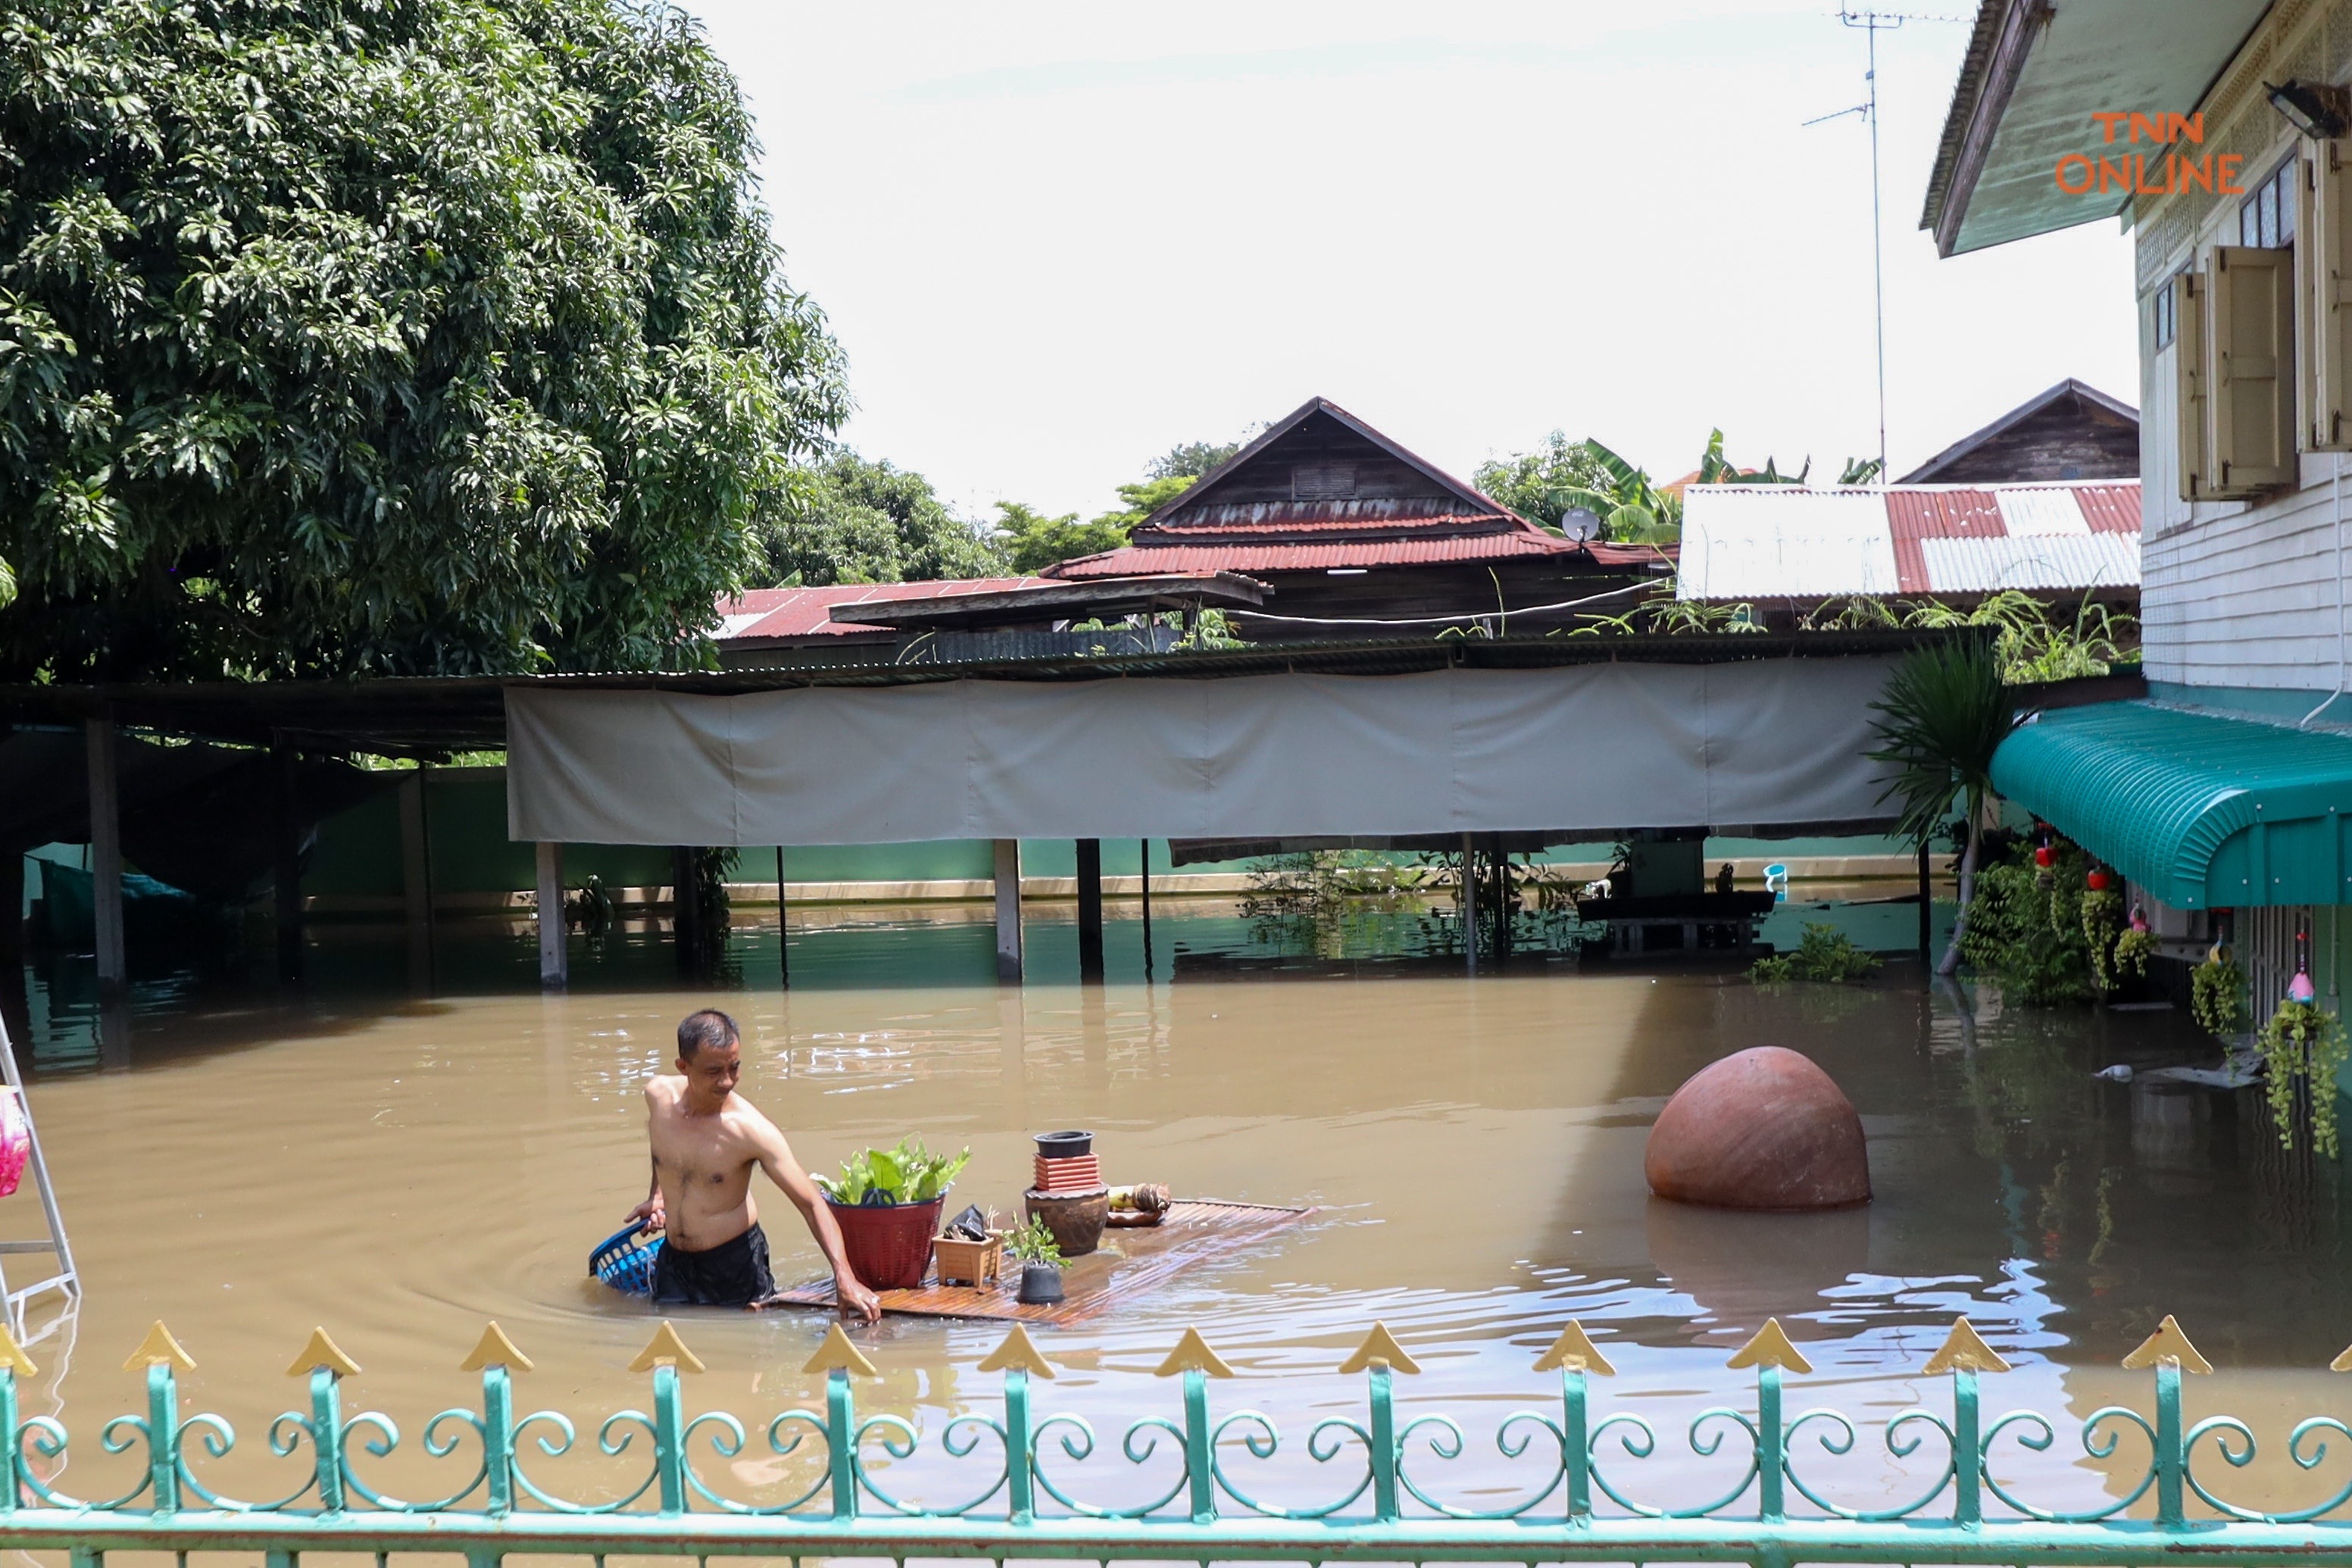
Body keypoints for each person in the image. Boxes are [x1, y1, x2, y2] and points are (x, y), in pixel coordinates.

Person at [624, 1009, 881, 1320]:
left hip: (733, 1267)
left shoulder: (750, 1131)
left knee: (745, 1359)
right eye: (714, 1071)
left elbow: (812, 1204)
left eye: (734, 1067)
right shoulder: (658, 1097)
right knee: (674, 1354)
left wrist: (845, 1276)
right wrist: (658, 1196)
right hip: (673, 1263)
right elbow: (661, 1149)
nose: (727, 1081)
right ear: (683, 1067)